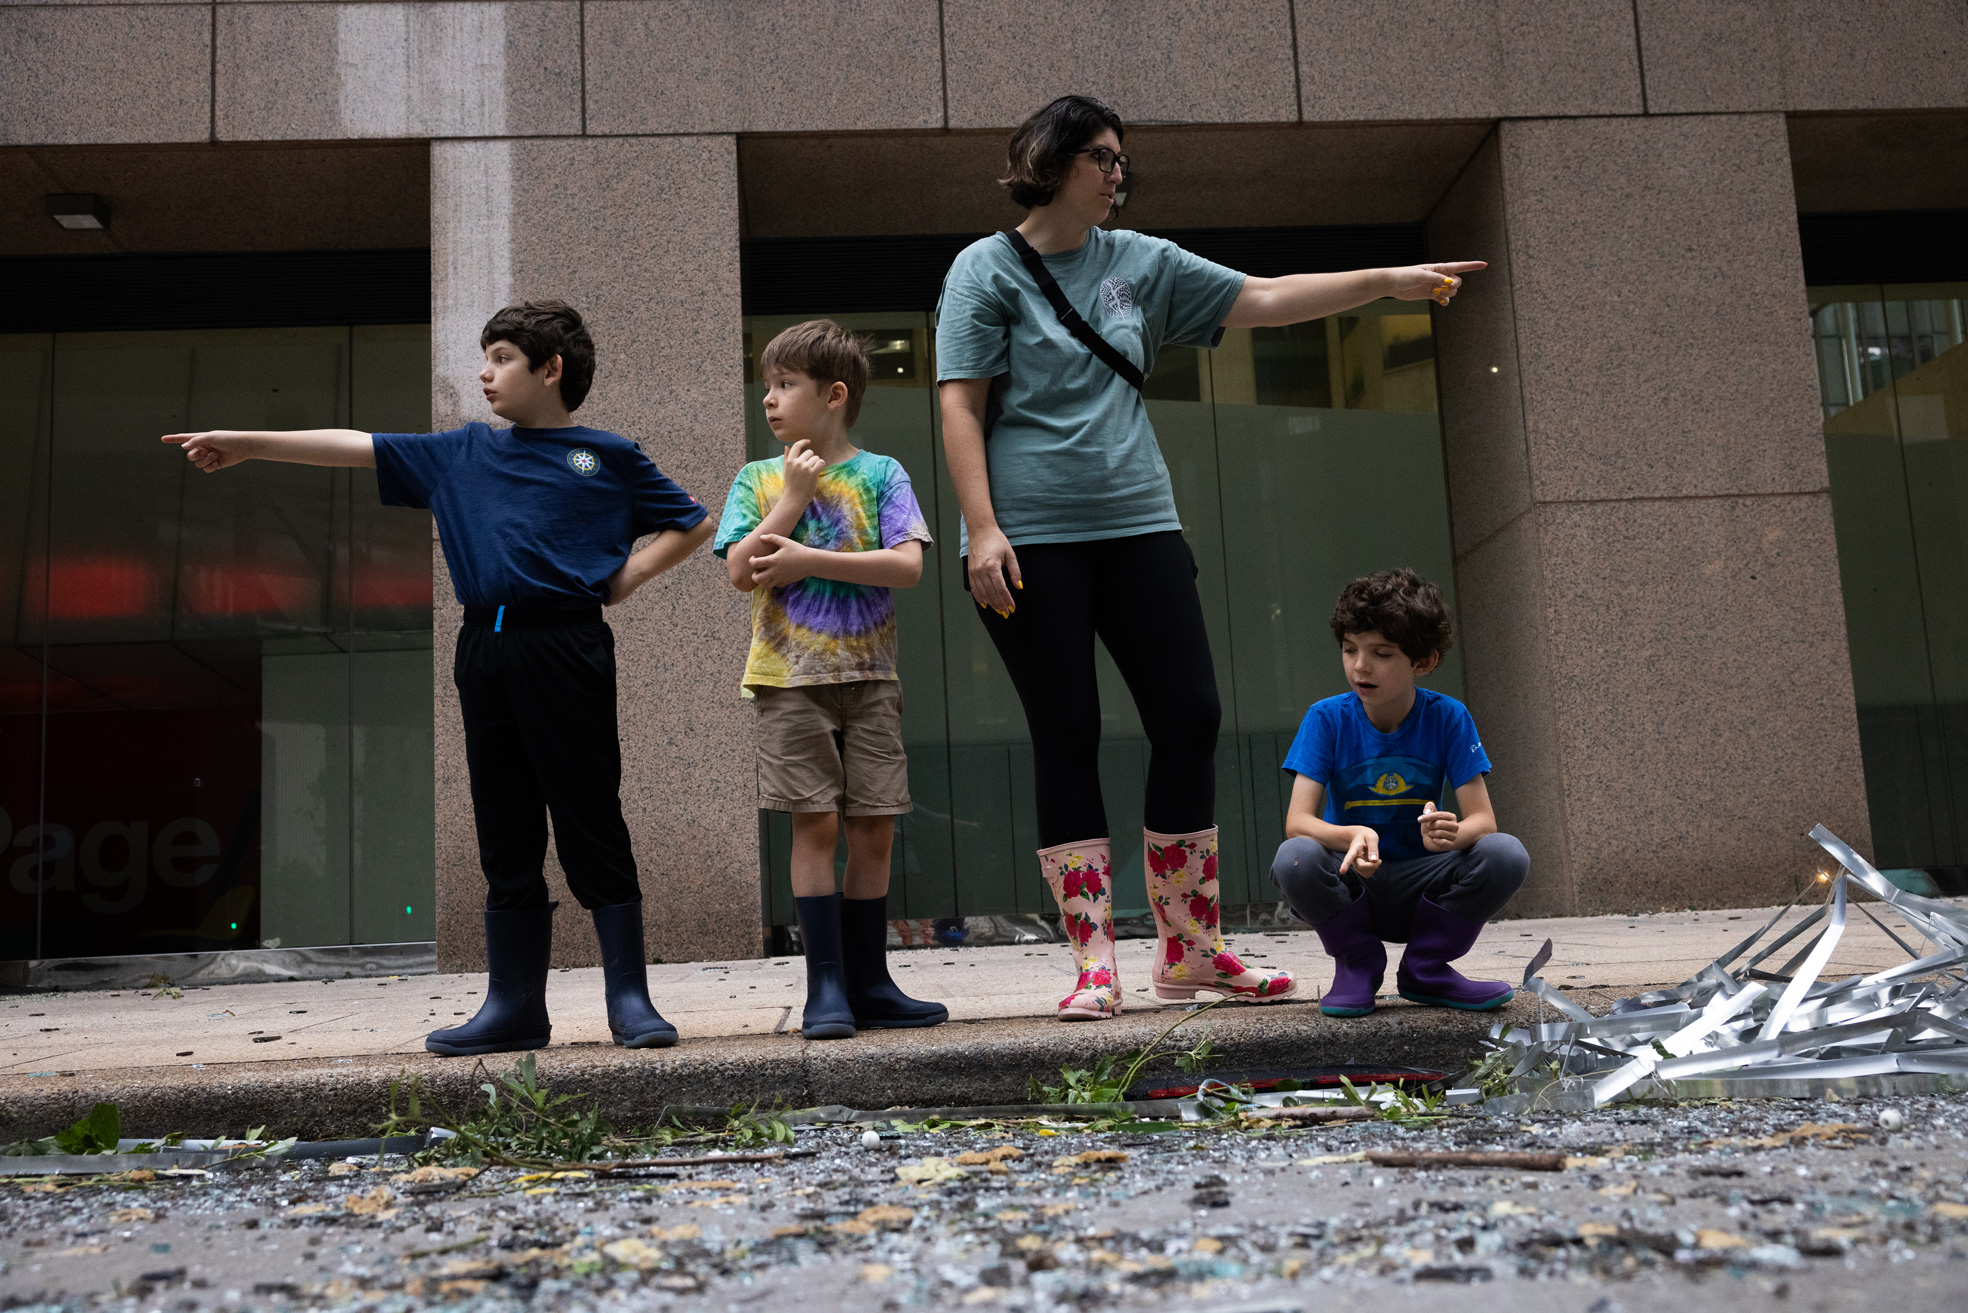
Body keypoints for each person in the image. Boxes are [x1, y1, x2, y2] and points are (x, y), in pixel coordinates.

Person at [934, 93, 1486, 1022]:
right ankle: (1092, 963)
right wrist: (982, 529)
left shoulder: (1141, 262)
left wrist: (1386, 280)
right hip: (1028, 537)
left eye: (1122, 161)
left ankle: (1189, 949)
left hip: (1140, 519)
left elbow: (1264, 297)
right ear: (1057, 160)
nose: (1119, 174)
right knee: (1065, 730)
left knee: (1188, 713)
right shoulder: (985, 270)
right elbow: (959, 404)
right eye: (1103, 158)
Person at [162, 300, 713, 1055]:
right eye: (483, 357)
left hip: (568, 646)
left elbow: (693, 519)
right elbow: (357, 446)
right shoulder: (463, 452)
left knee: (590, 815)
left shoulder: (608, 455)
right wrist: (249, 443)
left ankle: (629, 997)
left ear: (550, 369)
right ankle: (514, 1004)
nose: (483, 373)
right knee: (504, 825)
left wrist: (627, 578)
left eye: (501, 358)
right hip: (484, 651)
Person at [714, 320, 947, 1040]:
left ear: (834, 395)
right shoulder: (758, 478)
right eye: (768, 386)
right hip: (789, 680)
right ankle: (825, 987)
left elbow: (907, 565)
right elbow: (739, 570)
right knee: (813, 823)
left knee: (873, 826)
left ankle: (869, 979)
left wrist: (811, 560)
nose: (770, 400)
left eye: (786, 385)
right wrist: (791, 499)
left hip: (870, 676)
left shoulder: (882, 474)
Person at [1270, 569, 1528, 1017]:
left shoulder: (1448, 717)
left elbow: (1483, 822)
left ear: (1423, 662)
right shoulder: (1326, 718)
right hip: (1352, 883)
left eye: (1381, 653)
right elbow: (1298, 823)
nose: (1359, 666)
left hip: (1423, 882)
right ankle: (1357, 963)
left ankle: (1426, 968)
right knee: (1295, 858)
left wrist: (1452, 833)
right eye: (1349, 649)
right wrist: (1350, 834)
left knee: (1506, 854)